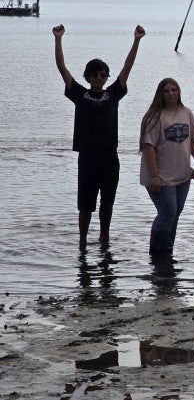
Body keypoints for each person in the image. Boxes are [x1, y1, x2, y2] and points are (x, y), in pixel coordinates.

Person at [52, 24, 145, 249]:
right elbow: (62, 67)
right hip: (87, 156)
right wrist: (58, 39)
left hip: (109, 156)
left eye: (103, 74)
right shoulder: (80, 94)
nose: (99, 78)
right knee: (85, 204)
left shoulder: (112, 94)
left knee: (108, 202)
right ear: (88, 76)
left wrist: (136, 40)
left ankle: (104, 238)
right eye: (94, 74)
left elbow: (128, 67)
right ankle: (82, 241)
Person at [139, 78, 194, 257]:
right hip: (160, 177)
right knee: (167, 213)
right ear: (160, 94)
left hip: (183, 176)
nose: (171, 93)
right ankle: (156, 253)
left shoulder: (186, 112)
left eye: (174, 90)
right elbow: (148, 147)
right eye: (167, 90)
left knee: (174, 215)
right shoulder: (154, 117)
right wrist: (154, 176)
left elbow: (193, 140)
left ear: (179, 92)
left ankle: (167, 252)